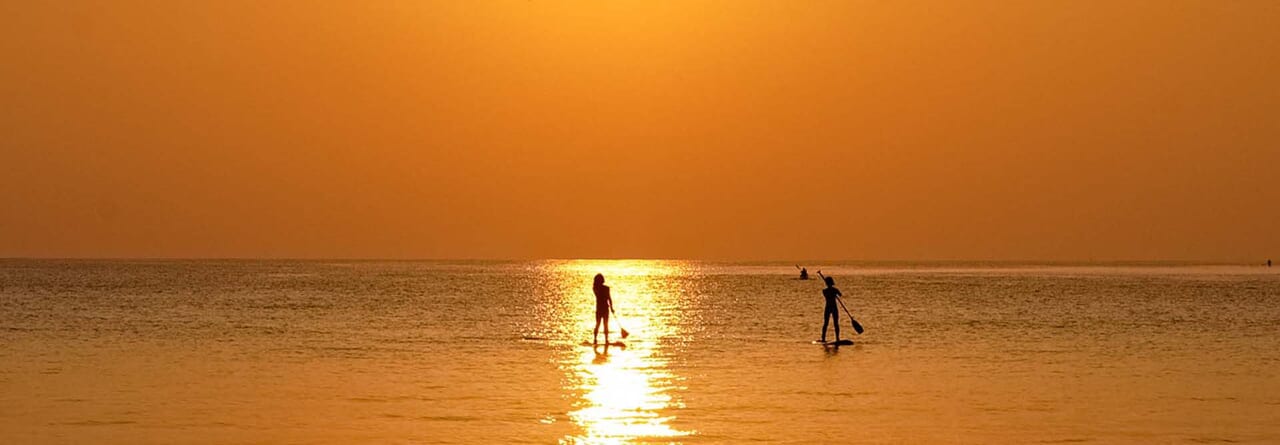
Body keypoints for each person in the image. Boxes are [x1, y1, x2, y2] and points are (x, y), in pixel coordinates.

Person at [592, 273, 613, 345]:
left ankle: (597, 339)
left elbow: (609, 299)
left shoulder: (596, 288)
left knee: (600, 324)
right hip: (603, 309)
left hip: (601, 309)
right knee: (602, 324)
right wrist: (611, 308)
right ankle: (603, 340)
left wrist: (612, 308)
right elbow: (609, 299)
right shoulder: (605, 288)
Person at [820, 275, 842, 342]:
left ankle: (837, 338)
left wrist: (835, 292)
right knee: (826, 323)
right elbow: (827, 295)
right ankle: (823, 338)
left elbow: (840, 295)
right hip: (829, 307)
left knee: (836, 323)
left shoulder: (834, 290)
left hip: (833, 307)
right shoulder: (825, 291)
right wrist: (833, 292)